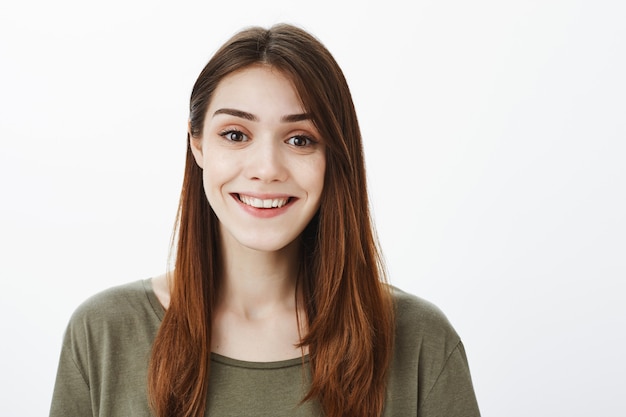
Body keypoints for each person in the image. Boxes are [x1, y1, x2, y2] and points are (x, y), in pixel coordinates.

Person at [49, 24, 480, 417]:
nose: (267, 168)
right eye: (235, 134)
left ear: (334, 156)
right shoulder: (103, 335)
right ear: (198, 145)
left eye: (300, 139)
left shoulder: (421, 343)